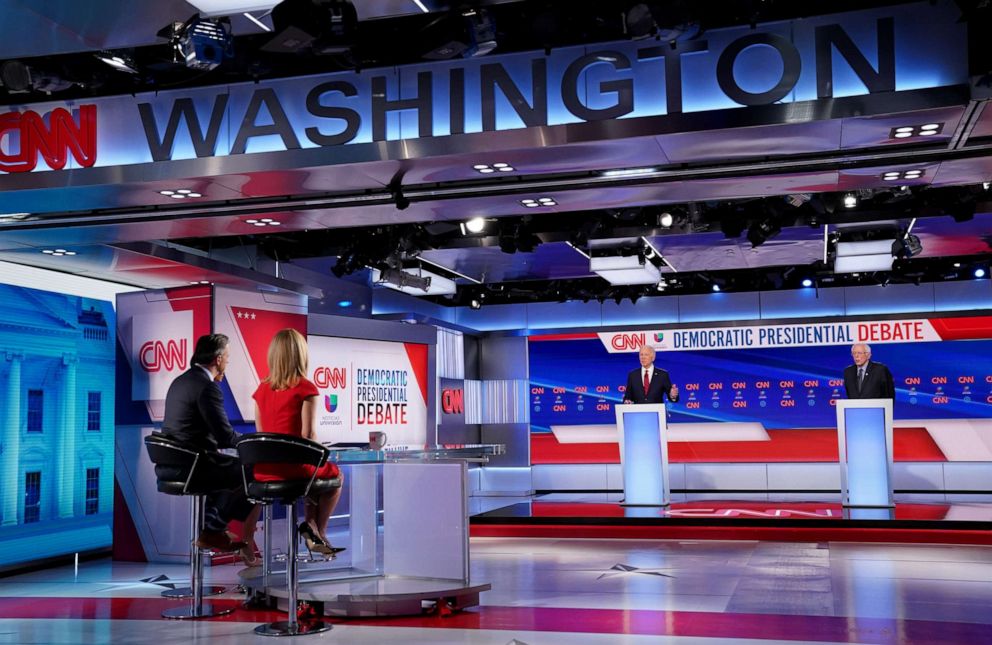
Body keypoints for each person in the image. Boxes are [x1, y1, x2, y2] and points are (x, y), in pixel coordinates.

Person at [159, 333, 260, 563]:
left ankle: (212, 527)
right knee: (254, 472)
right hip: (194, 466)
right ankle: (213, 530)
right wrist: (253, 443)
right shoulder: (207, 387)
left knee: (227, 469)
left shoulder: (181, 381)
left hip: (174, 464)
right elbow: (225, 436)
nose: (228, 362)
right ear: (217, 358)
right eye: (228, 357)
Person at [252, 329, 344, 557]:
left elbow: (262, 435)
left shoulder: (260, 390)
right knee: (335, 477)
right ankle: (318, 531)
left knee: (313, 475)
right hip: (293, 468)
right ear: (300, 355)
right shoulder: (306, 388)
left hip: (264, 470)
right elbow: (308, 435)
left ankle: (311, 527)